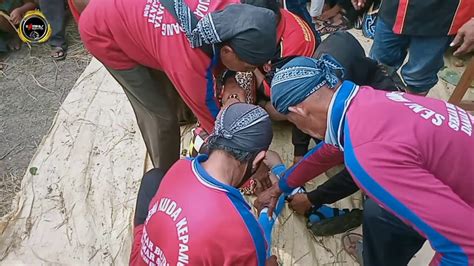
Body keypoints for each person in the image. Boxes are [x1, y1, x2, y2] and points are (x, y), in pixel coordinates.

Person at [256, 55, 474, 265]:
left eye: (293, 122)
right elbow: (329, 150)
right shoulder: (366, 100)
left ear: (299, 111)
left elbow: (465, 249)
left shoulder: (367, 154)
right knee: (379, 213)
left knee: (380, 210)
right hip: (457, 171)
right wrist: (280, 188)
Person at [80, 0, 277, 171]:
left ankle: (184, 112)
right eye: (249, 66)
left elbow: (217, 62)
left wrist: (230, 79)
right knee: (161, 117)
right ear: (227, 51)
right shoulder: (189, 61)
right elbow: (215, 122)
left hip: (136, 16)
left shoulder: (234, 10)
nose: (250, 71)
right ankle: (165, 175)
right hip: (102, 31)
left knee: (171, 72)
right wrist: (246, 164)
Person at [130, 102, 278, 265]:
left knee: (154, 178)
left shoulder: (180, 167)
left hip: (145, 258)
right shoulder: (243, 231)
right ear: (258, 159)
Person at [351, 0, 474, 95]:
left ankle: (407, 111)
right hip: (395, 8)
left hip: (442, 17)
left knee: (419, 77)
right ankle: (377, 105)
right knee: (378, 64)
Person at [0, 0, 36, 70]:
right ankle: (14, 34)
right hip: (7, 28)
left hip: (25, 20)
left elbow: (33, 4)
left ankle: (19, 34)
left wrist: (20, 10)